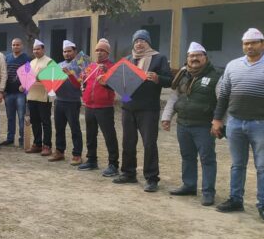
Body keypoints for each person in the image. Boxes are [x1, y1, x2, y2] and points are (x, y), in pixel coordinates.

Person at [212, 28, 264, 220]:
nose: (249, 46)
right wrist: (217, 119)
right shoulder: (232, 66)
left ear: (262, 44)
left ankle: (263, 205)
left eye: (254, 42)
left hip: (261, 124)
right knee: (237, 164)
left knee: (262, 166)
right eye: (246, 43)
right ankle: (235, 199)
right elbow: (224, 95)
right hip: (235, 122)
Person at [161, 42, 220, 206]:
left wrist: (219, 121)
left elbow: (222, 101)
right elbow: (174, 97)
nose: (194, 59)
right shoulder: (182, 75)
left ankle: (208, 192)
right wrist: (167, 117)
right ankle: (189, 185)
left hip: (204, 126)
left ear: (205, 58)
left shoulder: (215, 77)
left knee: (207, 159)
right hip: (183, 124)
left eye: (197, 55)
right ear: (187, 58)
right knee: (187, 157)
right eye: (191, 56)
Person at [113, 29, 172, 193]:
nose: (139, 43)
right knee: (128, 142)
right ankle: (128, 173)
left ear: (148, 43)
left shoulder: (159, 58)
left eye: (143, 40)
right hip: (128, 108)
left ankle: (152, 178)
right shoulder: (127, 60)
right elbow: (121, 83)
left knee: (149, 144)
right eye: (136, 40)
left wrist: (158, 78)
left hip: (148, 109)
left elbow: (170, 81)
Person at [78, 39, 120, 177]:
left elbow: (117, 85)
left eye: (102, 50)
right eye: (97, 50)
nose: (99, 52)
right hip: (89, 105)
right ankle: (91, 159)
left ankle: (113, 164)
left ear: (107, 52)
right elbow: (84, 82)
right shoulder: (90, 66)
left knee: (109, 136)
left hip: (104, 106)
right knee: (90, 134)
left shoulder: (112, 67)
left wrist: (107, 72)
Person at [49, 40, 84, 164]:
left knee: (75, 128)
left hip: (73, 101)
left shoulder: (80, 65)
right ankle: (59, 151)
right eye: (65, 51)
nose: (67, 54)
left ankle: (77, 154)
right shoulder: (58, 65)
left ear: (75, 51)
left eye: (69, 51)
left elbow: (80, 84)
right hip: (59, 101)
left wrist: (70, 75)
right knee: (59, 128)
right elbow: (53, 83)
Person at [25, 39, 53, 155]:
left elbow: (53, 79)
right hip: (32, 96)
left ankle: (47, 145)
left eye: (38, 49)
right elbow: (26, 78)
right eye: (34, 49)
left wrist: (41, 79)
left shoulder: (50, 62)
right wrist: (23, 85)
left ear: (43, 49)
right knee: (35, 121)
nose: (36, 51)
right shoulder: (31, 63)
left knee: (45, 122)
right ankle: (37, 144)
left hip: (43, 97)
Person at [2, 38, 31, 147]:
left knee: (21, 117)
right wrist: (3, 90)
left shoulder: (26, 58)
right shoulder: (7, 58)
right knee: (10, 117)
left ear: (22, 46)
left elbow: (29, 76)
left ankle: (22, 139)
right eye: (14, 45)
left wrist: (24, 86)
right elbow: (3, 74)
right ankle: (10, 138)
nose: (15, 46)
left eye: (18, 45)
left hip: (20, 94)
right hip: (8, 93)